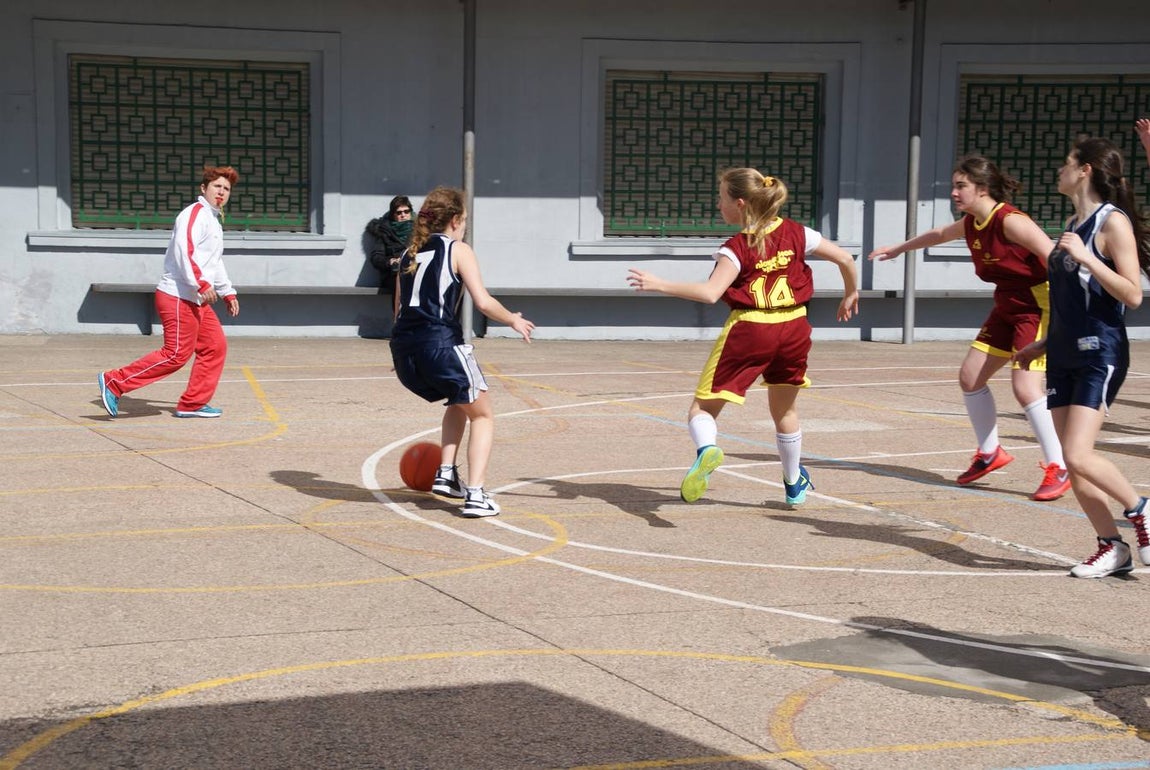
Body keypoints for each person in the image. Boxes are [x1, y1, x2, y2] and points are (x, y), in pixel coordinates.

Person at [627, 168, 859, 506]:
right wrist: (851, 292)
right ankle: (794, 485)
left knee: (702, 408)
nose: (717, 204)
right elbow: (845, 257)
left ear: (739, 203)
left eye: (720, 198)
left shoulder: (737, 247)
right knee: (785, 411)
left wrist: (659, 283)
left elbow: (710, 292)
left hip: (752, 328)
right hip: (794, 326)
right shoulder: (798, 233)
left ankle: (707, 450)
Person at [869, 155, 1070, 501]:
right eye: (954, 186)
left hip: (1038, 307)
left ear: (982, 188)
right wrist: (898, 249)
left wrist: (1072, 311)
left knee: (1025, 386)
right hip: (1007, 305)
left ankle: (1059, 465)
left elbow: (1055, 259)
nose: (954, 193)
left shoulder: (1011, 222)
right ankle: (990, 453)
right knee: (971, 376)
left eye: (961, 186)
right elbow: (938, 234)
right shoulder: (971, 223)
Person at [1014, 137, 1150, 578]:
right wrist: (1045, 344)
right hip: (1065, 351)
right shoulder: (1075, 221)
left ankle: (1142, 508)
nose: (1060, 170)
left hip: (1100, 349)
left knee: (1077, 452)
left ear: (1086, 169)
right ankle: (1112, 546)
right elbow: (1072, 301)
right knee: (1072, 461)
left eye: (1066, 163)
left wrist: (1088, 256)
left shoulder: (1112, 224)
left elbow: (1132, 294)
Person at [389, 186, 535, 517]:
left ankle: (445, 474)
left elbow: (399, 310)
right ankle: (476, 494)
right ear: (456, 220)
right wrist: (512, 319)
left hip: (404, 351)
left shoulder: (409, 254)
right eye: (465, 219)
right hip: (440, 344)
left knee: (459, 400)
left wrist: (406, 354)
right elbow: (482, 301)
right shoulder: (458, 249)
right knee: (483, 414)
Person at [97, 166, 241, 419]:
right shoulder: (194, 214)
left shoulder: (214, 220)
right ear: (203, 188)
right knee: (175, 354)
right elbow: (184, 251)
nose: (221, 192)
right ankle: (115, 381)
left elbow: (214, 261)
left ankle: (193, 403)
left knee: (215, 346)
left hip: (195, 298)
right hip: (177, 294)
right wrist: (201, 284)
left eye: (226, 189)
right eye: (217, 186)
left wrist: (227, 292)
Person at [365, 196, 414, 314]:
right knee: (401, 281)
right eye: (399, 213)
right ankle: (399, 320)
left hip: (414, 269)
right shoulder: (385, 232)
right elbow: (376, 257)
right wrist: (390, 261)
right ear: (393, 215)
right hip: (393, 273)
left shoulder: (420, 230)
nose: (403, 215)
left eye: (406, 211)